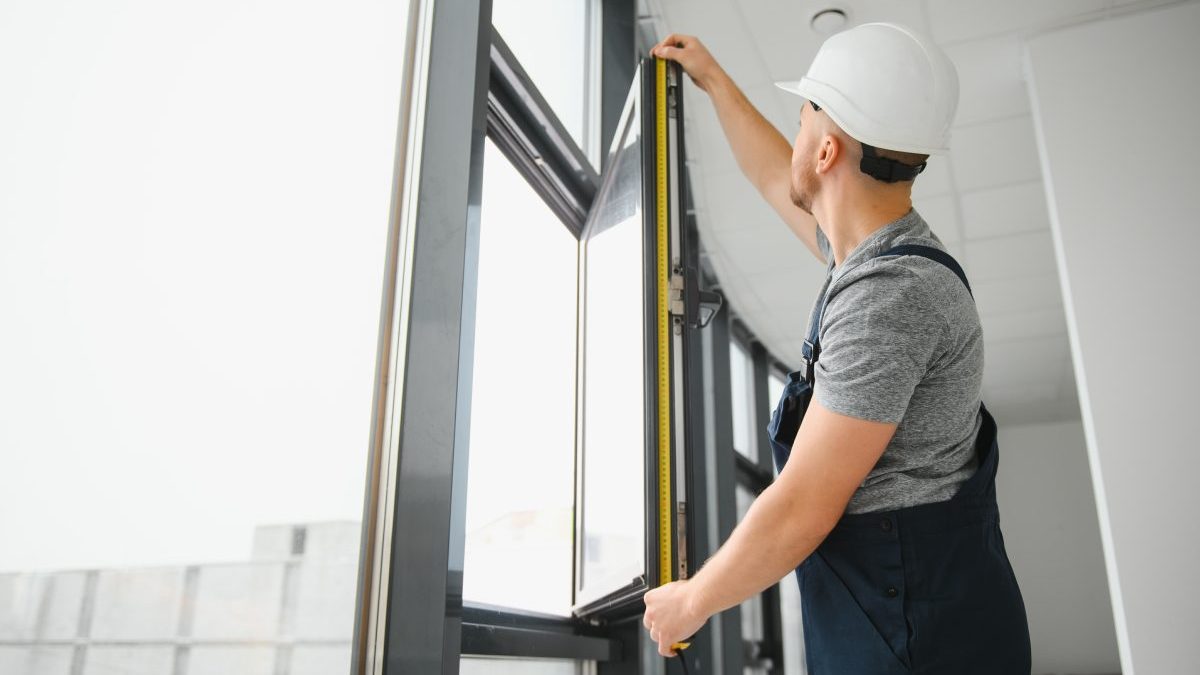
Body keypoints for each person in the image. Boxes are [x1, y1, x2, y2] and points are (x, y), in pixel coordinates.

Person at [641, 23, 1031, 674]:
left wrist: (692, 601)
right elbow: (775, 178)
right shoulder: (873, 259)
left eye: (802, 122)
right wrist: (714, 79)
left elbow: (803, 506)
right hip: (898, 615)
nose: (793, 139)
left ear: (825, 153)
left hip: (920, 641)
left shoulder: (890, 295)